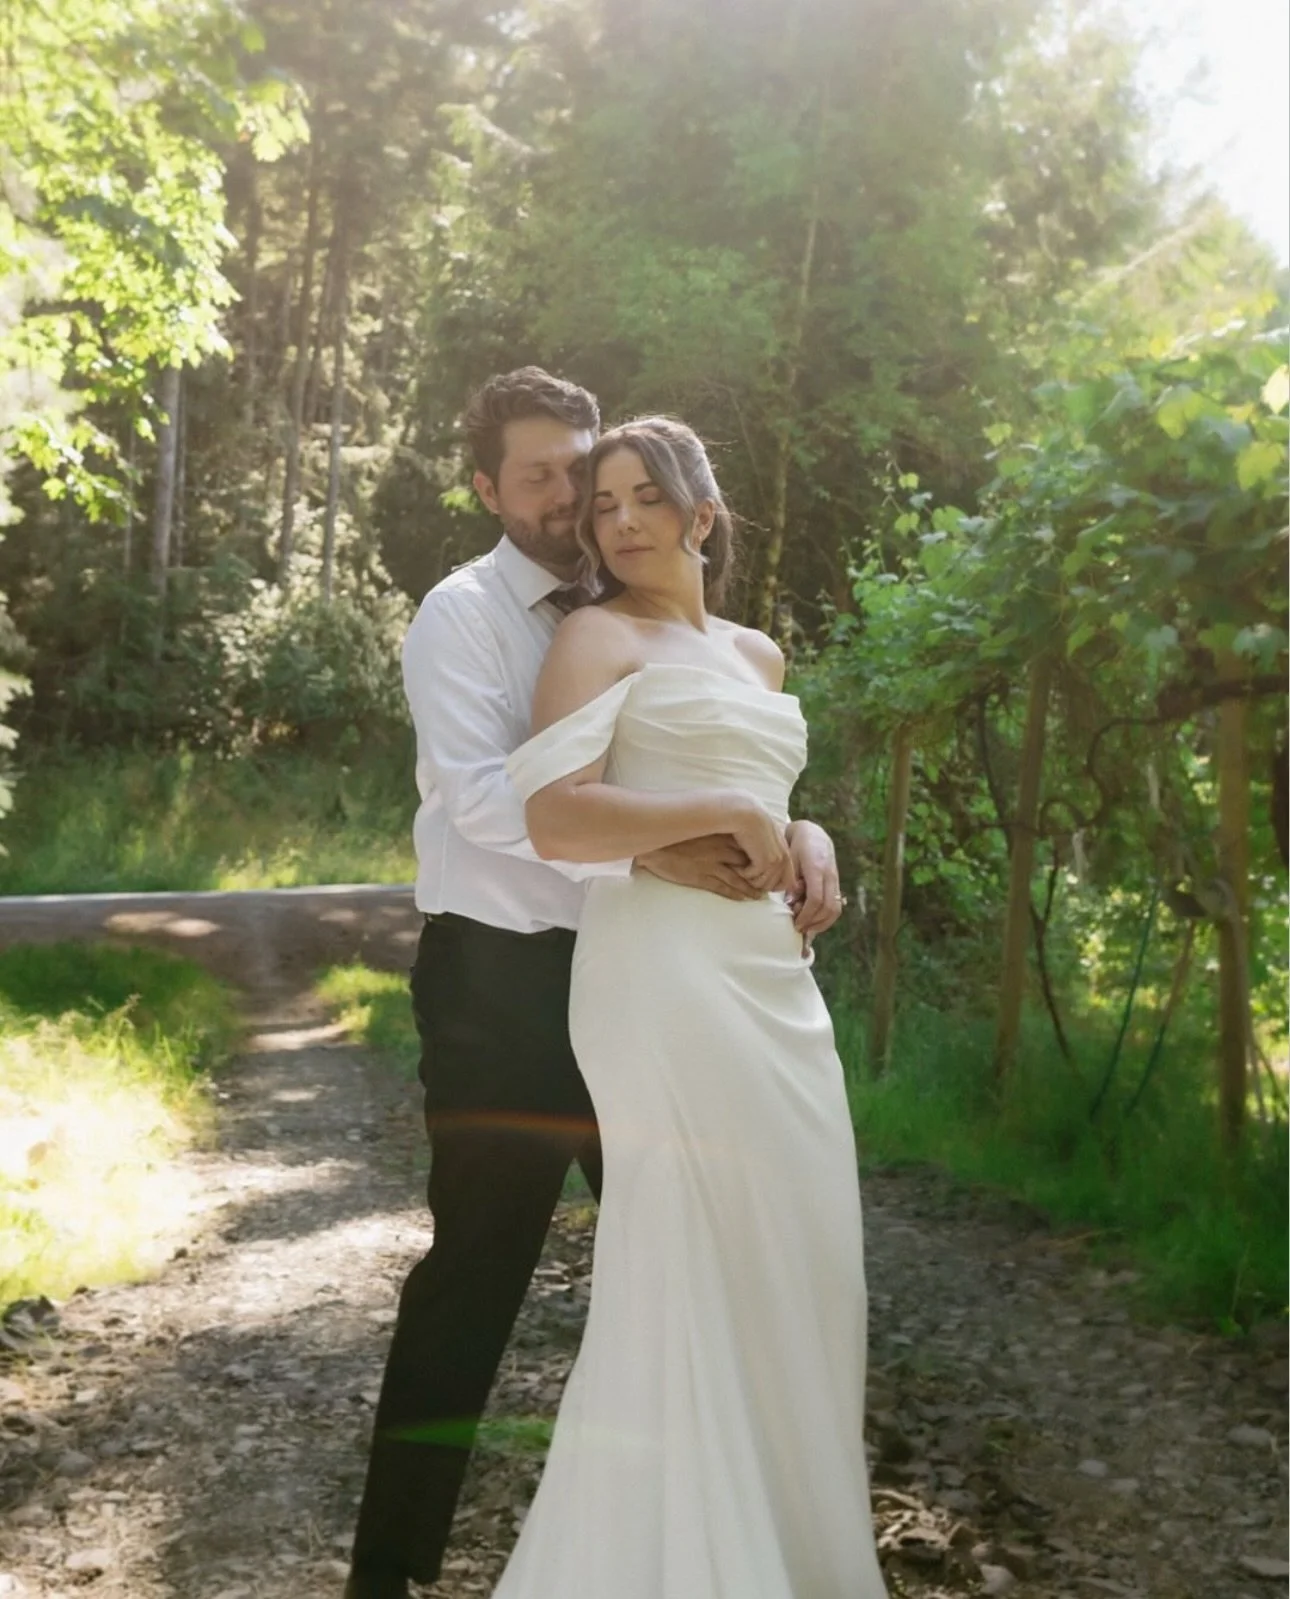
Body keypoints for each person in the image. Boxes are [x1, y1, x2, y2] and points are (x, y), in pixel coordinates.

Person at [344, 371, 845, 1599]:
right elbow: (485, 798)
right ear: (486, 489)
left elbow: (725, 769)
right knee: (477, 1275)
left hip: (663, 980)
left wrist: (799, 833)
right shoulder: (464, 616)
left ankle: (711, 1540)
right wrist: (655, 850)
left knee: (702, 1256)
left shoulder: (674, 619)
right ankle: (390, 1572)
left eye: (587, 469)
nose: (576, 499)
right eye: (544, 478)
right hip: (506, 988)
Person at [489, 414, 888, 1598]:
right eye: (603, 504)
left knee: (804, 1252)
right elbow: (554, 818)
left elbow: (762, 795)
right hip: (659, 973)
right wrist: (716, 809)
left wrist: (807, 834)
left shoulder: (759, 656)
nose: (620, 522)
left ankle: (793, 1554)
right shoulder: (594, 637)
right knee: (689, 1254)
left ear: (702, 514)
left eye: (646, 498)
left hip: (772, 975)